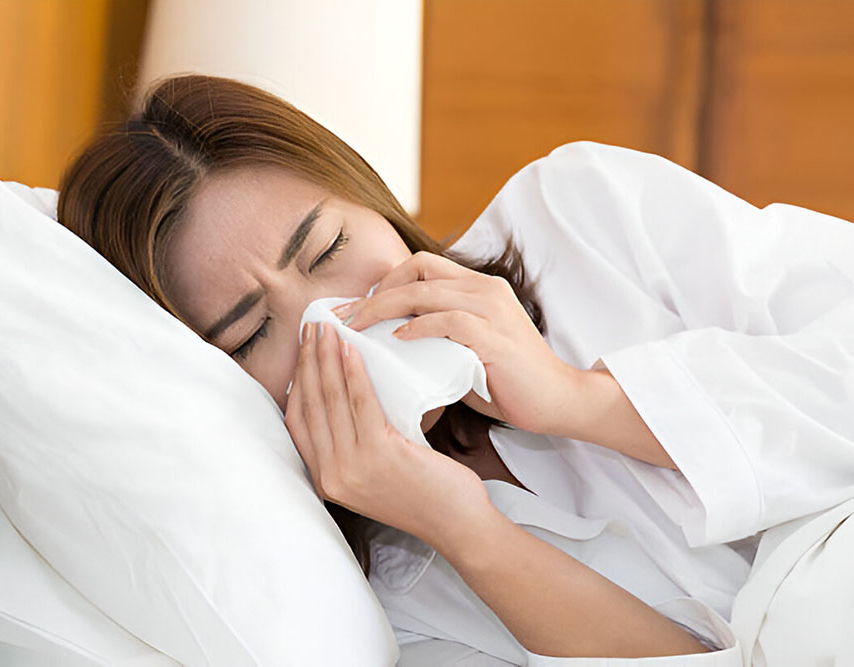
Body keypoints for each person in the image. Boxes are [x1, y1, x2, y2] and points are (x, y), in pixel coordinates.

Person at [56, 74, 854, 665]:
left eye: (329, 248)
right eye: (252, 332)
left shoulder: (576, 215)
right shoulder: (369, 598)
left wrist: (581, 401)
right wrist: (468, 532)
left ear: (366, 195)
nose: (333, 323)